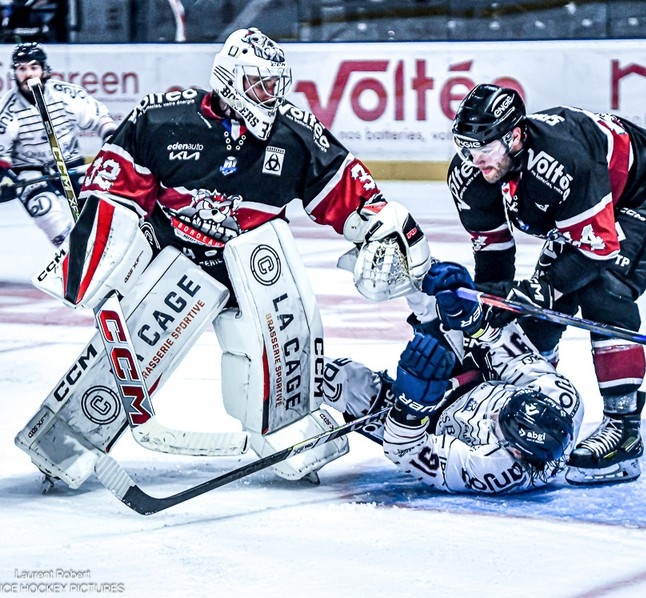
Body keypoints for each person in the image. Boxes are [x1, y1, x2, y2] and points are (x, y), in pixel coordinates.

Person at [16, 27, 431, 489]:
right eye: (260, 85)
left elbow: (347, 190)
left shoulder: (294, 133)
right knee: (131, 350)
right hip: (176, 258)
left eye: (276, 85)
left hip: (253, 264)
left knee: (280, 351)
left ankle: (287, 433)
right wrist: (92, 261)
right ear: (230, 81)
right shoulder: (164, 120)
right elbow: (113, 190)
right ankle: (66, 439)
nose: (271, 96)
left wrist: (377, 225)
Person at [446, 83, 646, 485]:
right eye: (466, 146)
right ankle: (534, 414)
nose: (474, 159)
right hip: (586, 205)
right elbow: (493, 259)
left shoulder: (562, 160)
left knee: (603, 290)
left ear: (515, 136)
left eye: (483, 147)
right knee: (533, 320)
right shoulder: (471, 175)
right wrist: (497, 310)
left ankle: (624, 433)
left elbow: (599, 249)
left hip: (644, 194)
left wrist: (544, 288)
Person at [318, 260, 584, 494]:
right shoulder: (563, 398)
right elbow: (513, 355)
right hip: (475, 371)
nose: (494, 414)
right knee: (440, 288)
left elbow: (405, 451)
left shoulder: (494, 471)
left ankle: (285, 387)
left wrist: (409, 410)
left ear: (515, 451)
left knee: (340, 381)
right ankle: (385, 254)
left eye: (499, 423)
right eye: (505, 407)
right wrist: (477, 321)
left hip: (428, 421)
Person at [0, 41, 116, 246]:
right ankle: (71, 257)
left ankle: (108, 250)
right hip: (30, 171)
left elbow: (101, 121)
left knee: (98, 208)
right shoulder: (7, 109)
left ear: (45, 70)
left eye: (34, 67)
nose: (28, 74)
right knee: (45, 211)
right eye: (21, 68)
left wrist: (111, 143)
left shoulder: (66, 94)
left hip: (71, 162)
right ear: (14, 73)